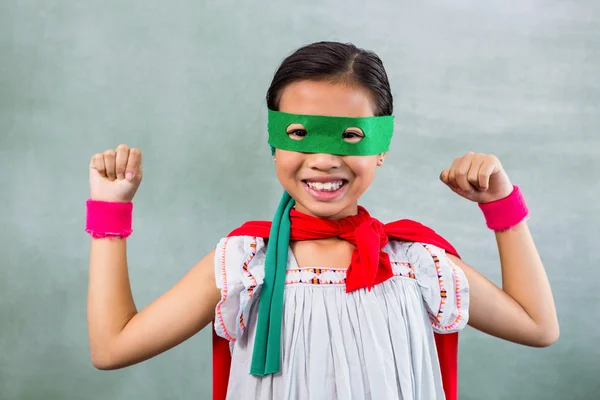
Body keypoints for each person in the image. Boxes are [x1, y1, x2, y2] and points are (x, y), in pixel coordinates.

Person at [86, 41, 559, 400]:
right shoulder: (244, 262)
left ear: (382, 149)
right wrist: (110, 213)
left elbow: (538, 327)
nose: (324, 159)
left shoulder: (415, 262)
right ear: (274, 143)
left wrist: (502, 208)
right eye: (299, 134)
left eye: (351, 136)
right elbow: (112, 348)